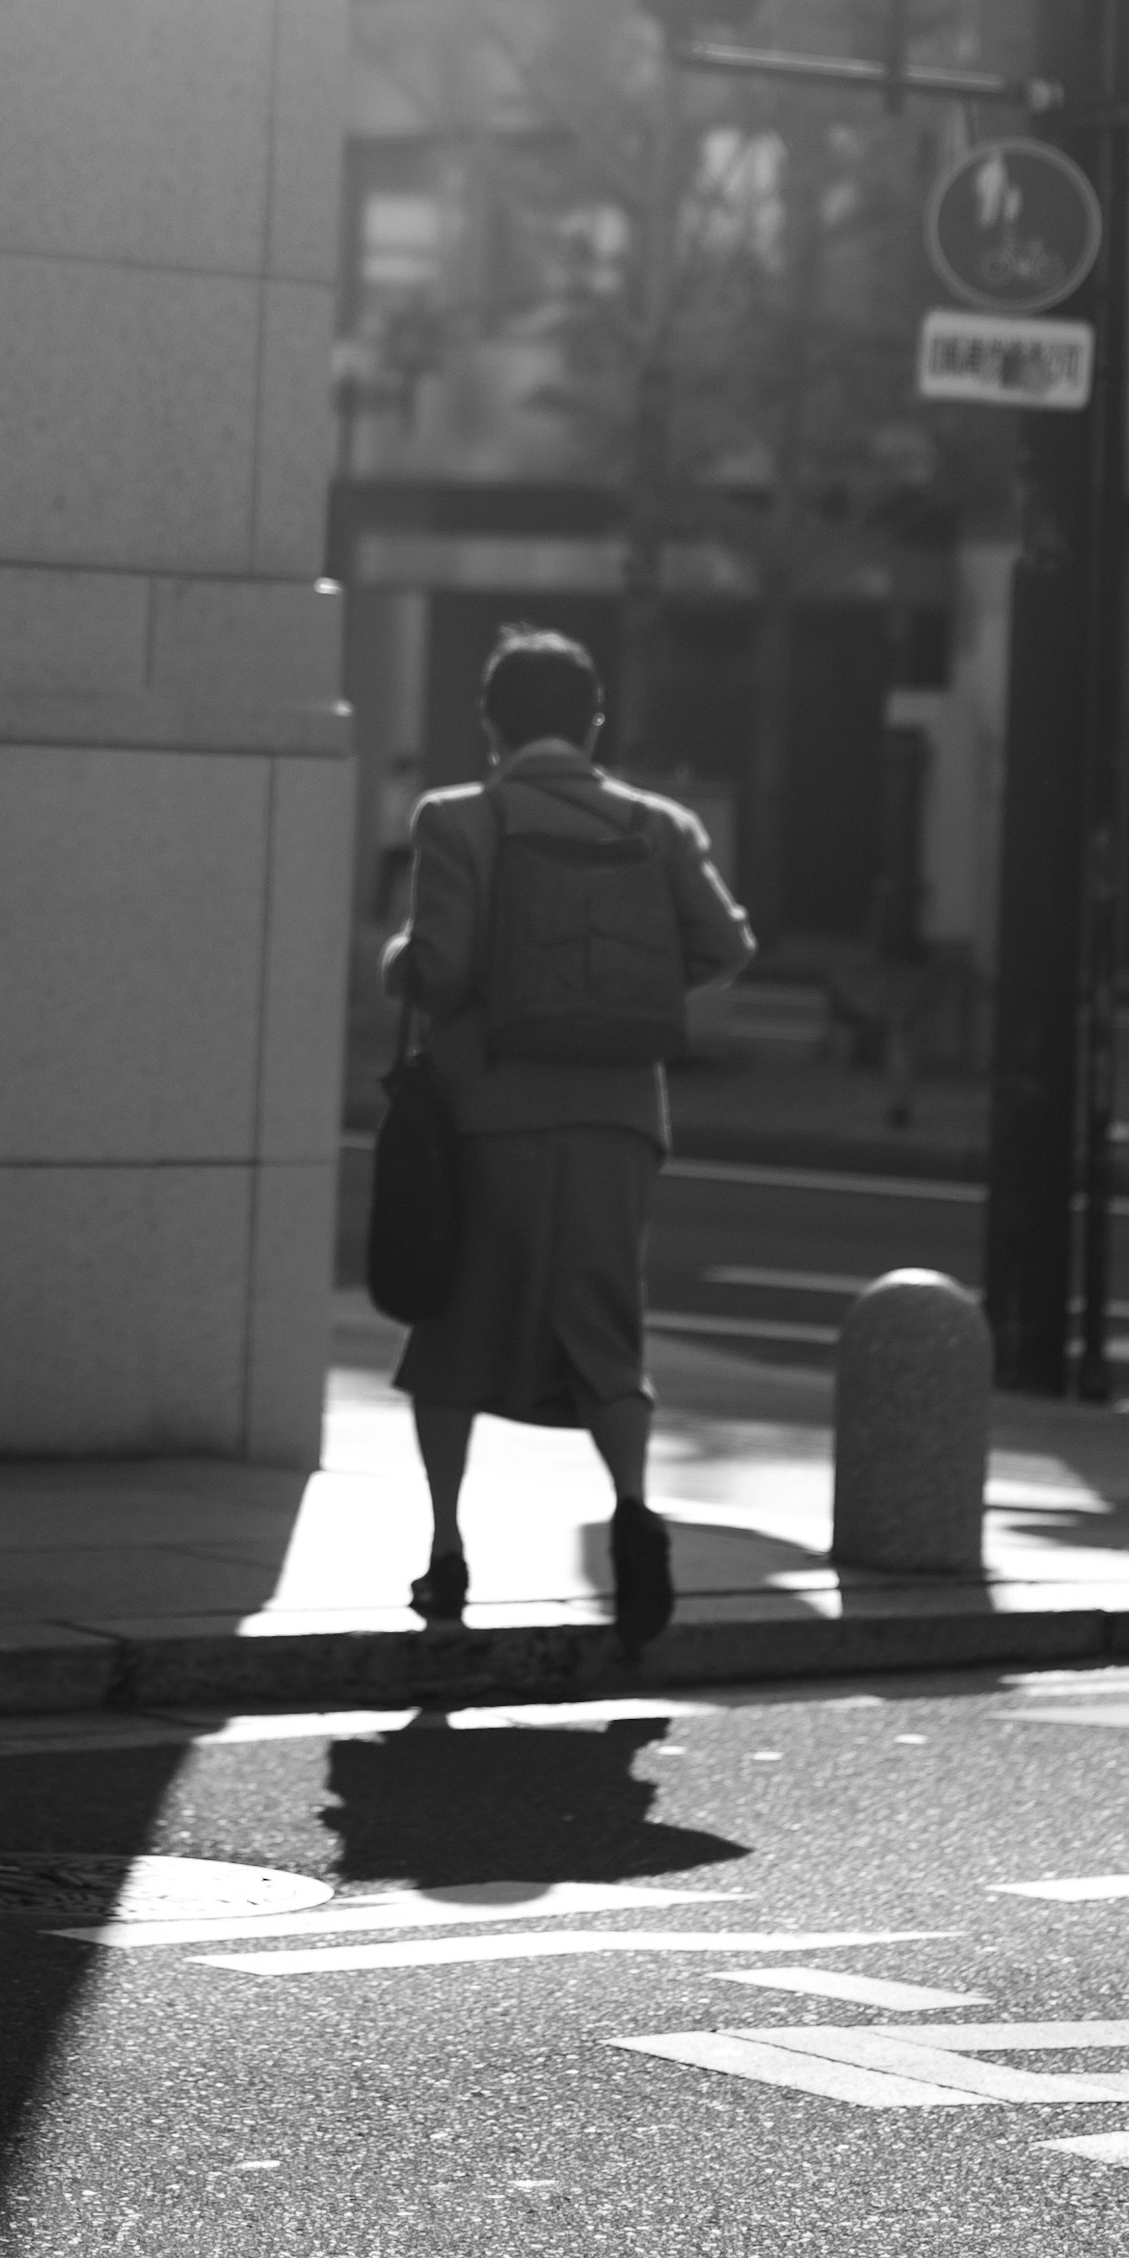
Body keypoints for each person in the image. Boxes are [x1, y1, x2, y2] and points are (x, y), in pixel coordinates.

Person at [379, 628, 753, 1651]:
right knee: (603, 1320)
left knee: (457, 1324)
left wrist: (398, 961)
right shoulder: (659, 825)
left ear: (491, 725)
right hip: (620, 1118)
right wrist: (622, 995)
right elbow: (726, 944)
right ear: (594, 721)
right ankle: (634, 1516)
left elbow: (444, 972)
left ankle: (448, 1549)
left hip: (489, 1116)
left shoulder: (459, 820)